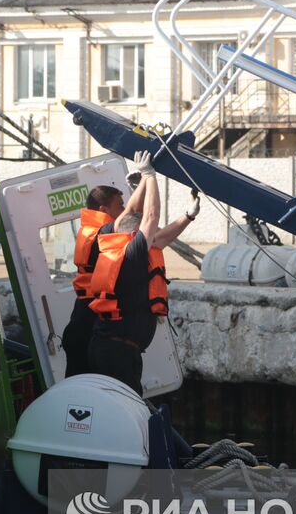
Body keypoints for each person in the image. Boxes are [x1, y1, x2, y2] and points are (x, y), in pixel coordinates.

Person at [84, 150, 199, 394]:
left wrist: (188, 216)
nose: (149, 236)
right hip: (117, 355)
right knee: (121, 406)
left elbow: (154, 233)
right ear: (134, 236)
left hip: (110, 348)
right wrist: (150, 175)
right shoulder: (131, 253)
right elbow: (150, 216)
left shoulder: (110, 239)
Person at [61, 183, 129, 377]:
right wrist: (145, 182)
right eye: (120, 206)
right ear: (103, 210)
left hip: (81, 318)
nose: (123, 210)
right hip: (85, 328)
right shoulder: (100, 233)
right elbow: (132, 217)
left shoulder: (89, 229)